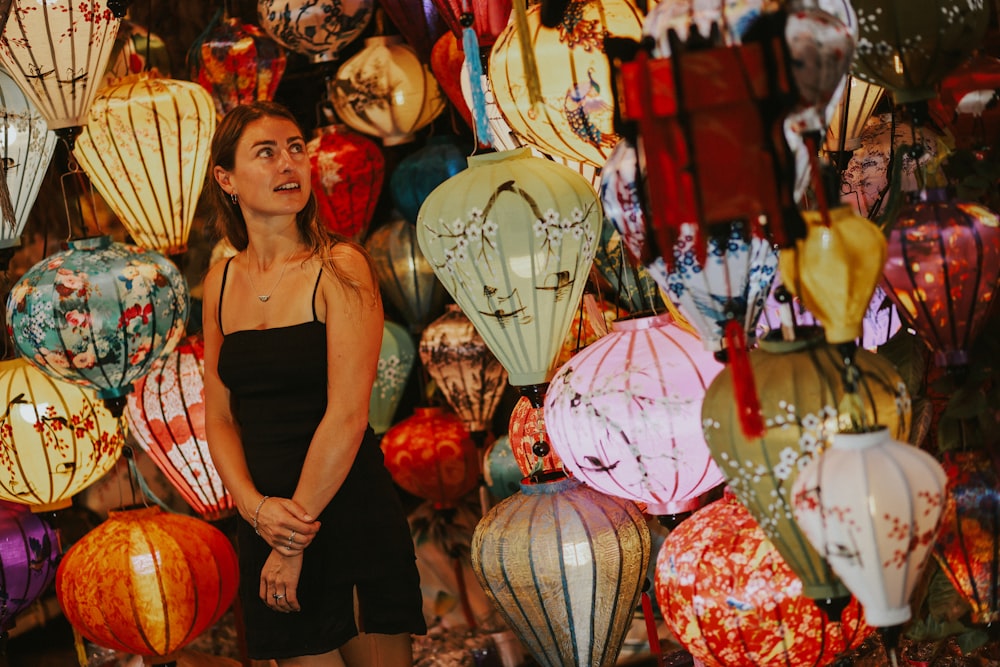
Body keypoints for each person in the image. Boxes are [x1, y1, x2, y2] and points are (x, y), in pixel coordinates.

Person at [202, 101, 426, 666]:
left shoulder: (340, 266)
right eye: (266, 152)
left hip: (343, 508)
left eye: (296, 148)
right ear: (225, 179)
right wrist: (255, 512)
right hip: (266, 516)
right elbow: (221, 417)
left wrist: (289, 536)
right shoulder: (220, 279)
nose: (288, 164)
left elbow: (348, 416)